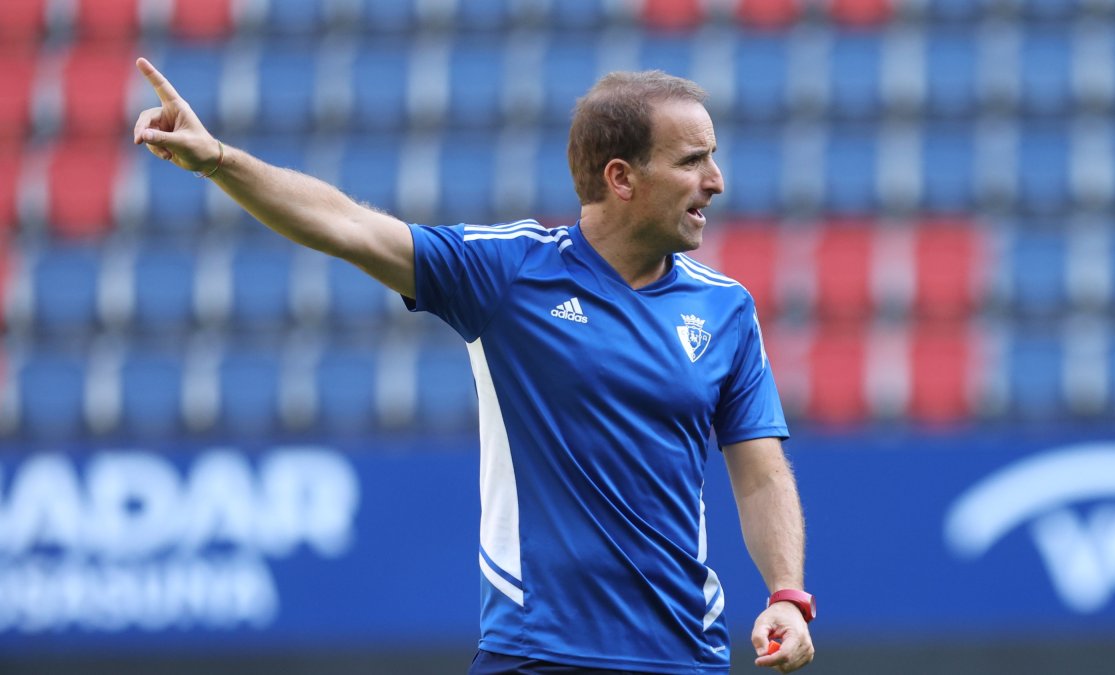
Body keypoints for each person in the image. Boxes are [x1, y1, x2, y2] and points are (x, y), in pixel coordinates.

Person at [132, 58, 815, 674]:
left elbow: (760, 474)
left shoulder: (727, 310)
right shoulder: (508, 272)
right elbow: (347, 225)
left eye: (713, 158)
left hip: (682, 654)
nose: (717, 181)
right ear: (621, 178)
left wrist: (786, 592)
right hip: (536, 652)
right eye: (694, 160)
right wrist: (219, 158)